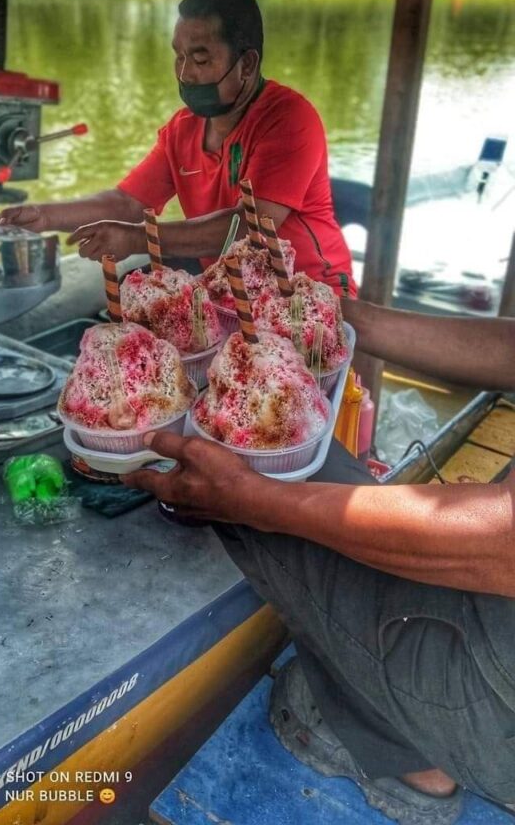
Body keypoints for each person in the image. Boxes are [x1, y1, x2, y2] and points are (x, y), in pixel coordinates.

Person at [122, 305, 515, 825]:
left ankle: (411, 759)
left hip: (492, 714)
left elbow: (505, 541)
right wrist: (342, 316)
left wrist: (255, 501)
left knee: (251, 453)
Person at [0, 0, 355, 295]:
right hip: (233, 294)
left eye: (200, 59)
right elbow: (126, 203)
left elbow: (252, 225)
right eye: (179, 57)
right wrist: (44, 216)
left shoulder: (289, 118)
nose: (185, 74)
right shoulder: (183, 129)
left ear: (246, 65)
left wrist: (137, 238)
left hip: (308, 294)